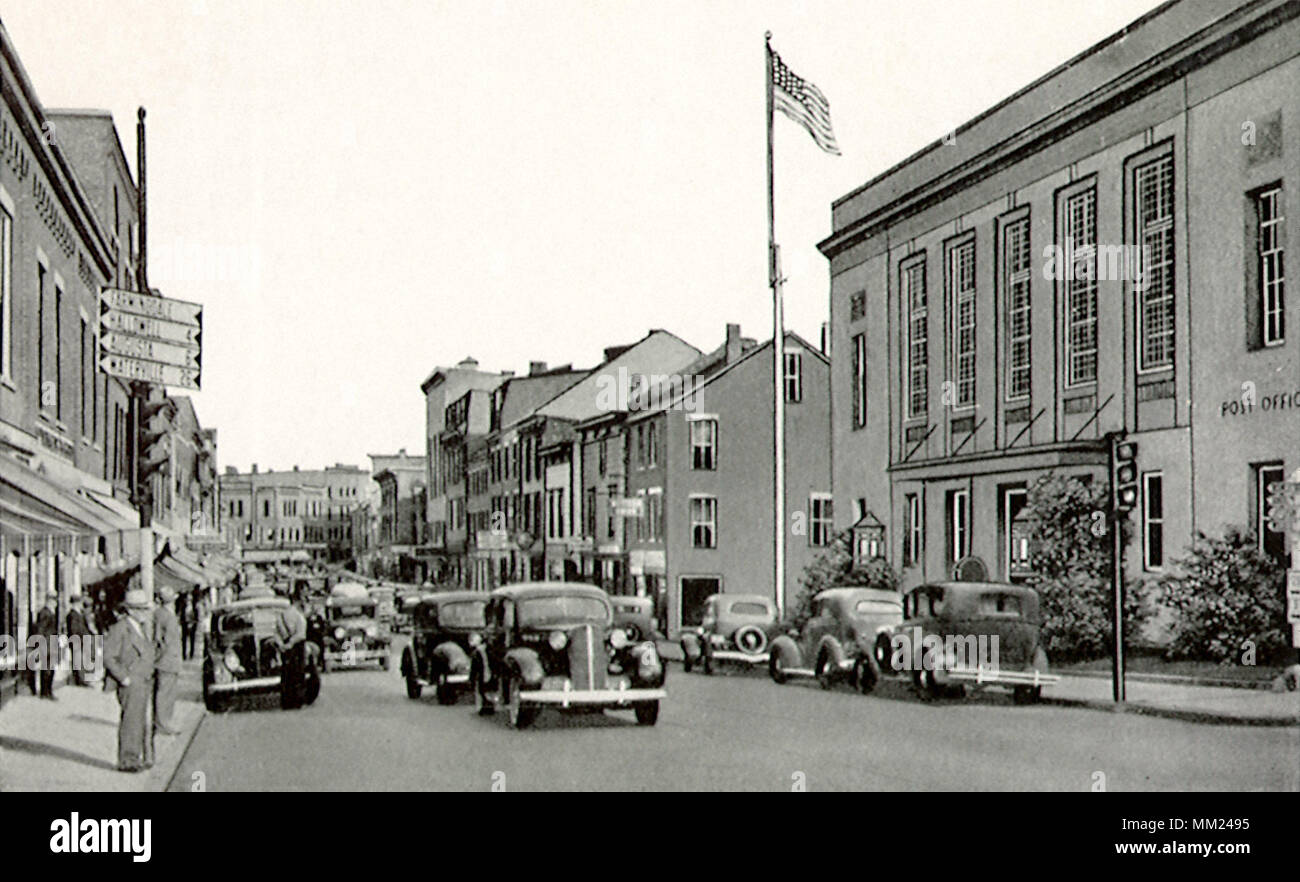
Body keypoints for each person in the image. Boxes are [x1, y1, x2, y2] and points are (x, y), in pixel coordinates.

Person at [103, 589, 155, 772]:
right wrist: (123, 677)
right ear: (131, 610)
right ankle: (128, 760)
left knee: (141, 721)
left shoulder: (139, 628)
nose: (145, 613)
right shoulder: (120, 629)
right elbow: (109, 657)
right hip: (131, 682)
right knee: (131, 721)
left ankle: (139, 756)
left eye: (145, 609)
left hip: (144, 680)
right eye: (141, 609)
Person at [152, 584, 183, 736]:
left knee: (166, 693)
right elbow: (162, 640)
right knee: (166, 694)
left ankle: (162, 722)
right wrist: (163, 656)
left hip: (167, 660)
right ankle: (164, 723)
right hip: (168, 661)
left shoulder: (159, 613)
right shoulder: (167, 616)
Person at [275, 594, 309, 709]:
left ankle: (286, 701)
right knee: (298, 674)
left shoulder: (281, 615)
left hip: (285, 647)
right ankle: (297, 701)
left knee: (286, 674)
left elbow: (276, 632)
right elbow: (301, 634)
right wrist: (291, 643)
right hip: (296, 647)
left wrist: (282, 645)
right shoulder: (299, 616)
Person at [32, 595, 59, 700]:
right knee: (47, 669)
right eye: (54, 600)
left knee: (50, 669)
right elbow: (40, 629)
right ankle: (45, 692)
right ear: (49, 601)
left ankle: (48, 691)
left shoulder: (50, 612)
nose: (55, 603)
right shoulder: (45, 613)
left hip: (51, 643)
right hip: (46, 644)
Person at [65, 596, 97, 686]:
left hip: (83, 640)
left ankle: (82, 680)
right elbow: (74, 630)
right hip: (78, 641)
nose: (81, 605)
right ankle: (80, 681)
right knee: (79, 661)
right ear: (75, 604)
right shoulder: (72, 615)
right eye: (79, 603)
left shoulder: (79, 614)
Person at [179, 594, 198, 660]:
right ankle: (183, 655)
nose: (188, 601)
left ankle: (191, 654)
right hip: (185, 625)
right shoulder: (183, 607)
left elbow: (196, 617)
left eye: (190, 599)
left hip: (192, 625)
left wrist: (193, 623)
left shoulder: (194, 608)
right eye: (187, 599)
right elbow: (181, 616)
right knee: (184, 640)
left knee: (192, 640)